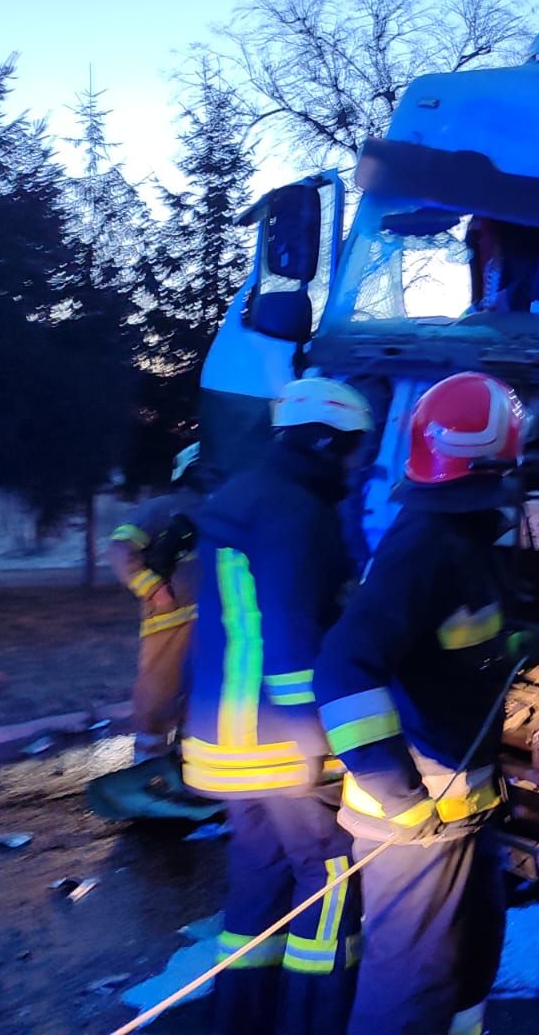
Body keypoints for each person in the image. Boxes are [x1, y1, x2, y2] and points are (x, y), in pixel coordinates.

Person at [313, 372, 525, 1035]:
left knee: (465, 965)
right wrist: (401, 793)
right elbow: (344, 668)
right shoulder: (427, 546)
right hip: (418, 817)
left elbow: (460, 642)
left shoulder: (457, 539)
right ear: (492, 461)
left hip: (460, 811)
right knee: (410, 985)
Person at [182, 377, 374, 1035]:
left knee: (257, 879)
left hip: (221, 735)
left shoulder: (242, 495)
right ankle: (315, 1022)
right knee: (328, 880)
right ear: (325, 442)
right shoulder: (296, 512)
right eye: (351, 448)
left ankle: (239, 1021)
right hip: (280, 741)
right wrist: (322, 740)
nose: (354, 462)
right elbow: (293, 639)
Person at [108, 442, 204, 766]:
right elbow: (121, 548)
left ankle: (189, 773)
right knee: (157, 701)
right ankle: (147, 772)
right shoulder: (163, 508)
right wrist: (153, 589)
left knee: (200, 701)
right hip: (170, 623)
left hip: (212, 623)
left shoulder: (222, 509)